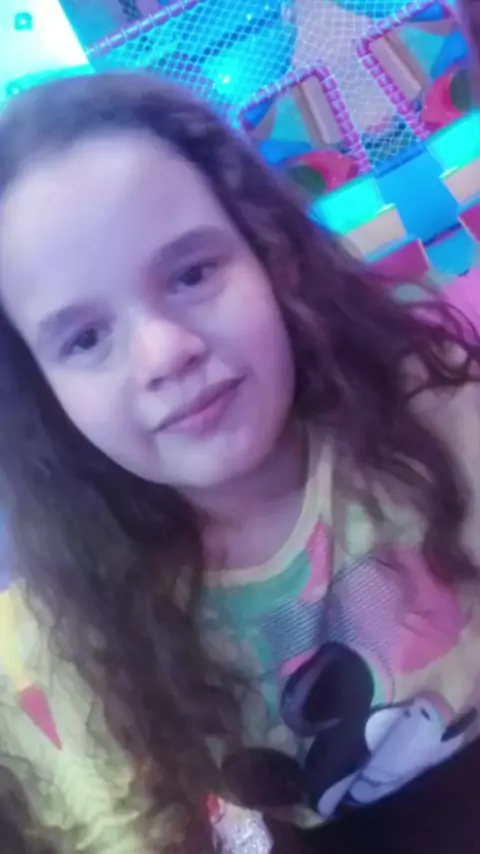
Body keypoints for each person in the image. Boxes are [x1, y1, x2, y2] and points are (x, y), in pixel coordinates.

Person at [0, 72, 480, 854]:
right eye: (85, 339)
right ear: (43, 396)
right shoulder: (90, 613)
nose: (165, 353)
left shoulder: (436, 427)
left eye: (192, 274)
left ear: (271, 256)